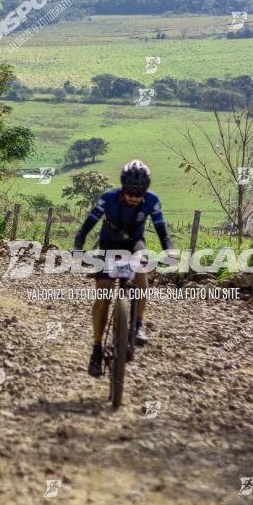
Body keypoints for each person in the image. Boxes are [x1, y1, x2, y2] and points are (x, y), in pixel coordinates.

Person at [73, 160, 173, 378]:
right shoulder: (108, 198)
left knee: (141, 271)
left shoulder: (152, 200)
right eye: (130, 193)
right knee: (104, 295)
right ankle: (96, 350)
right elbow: (87, 225)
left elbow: (161, 231)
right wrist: (78, 246)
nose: (134, 198)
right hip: (109, 245)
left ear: (145, 192)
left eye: (139, 195)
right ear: (123, 188)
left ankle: (138, 324)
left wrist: (169, 250)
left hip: (134, 243)